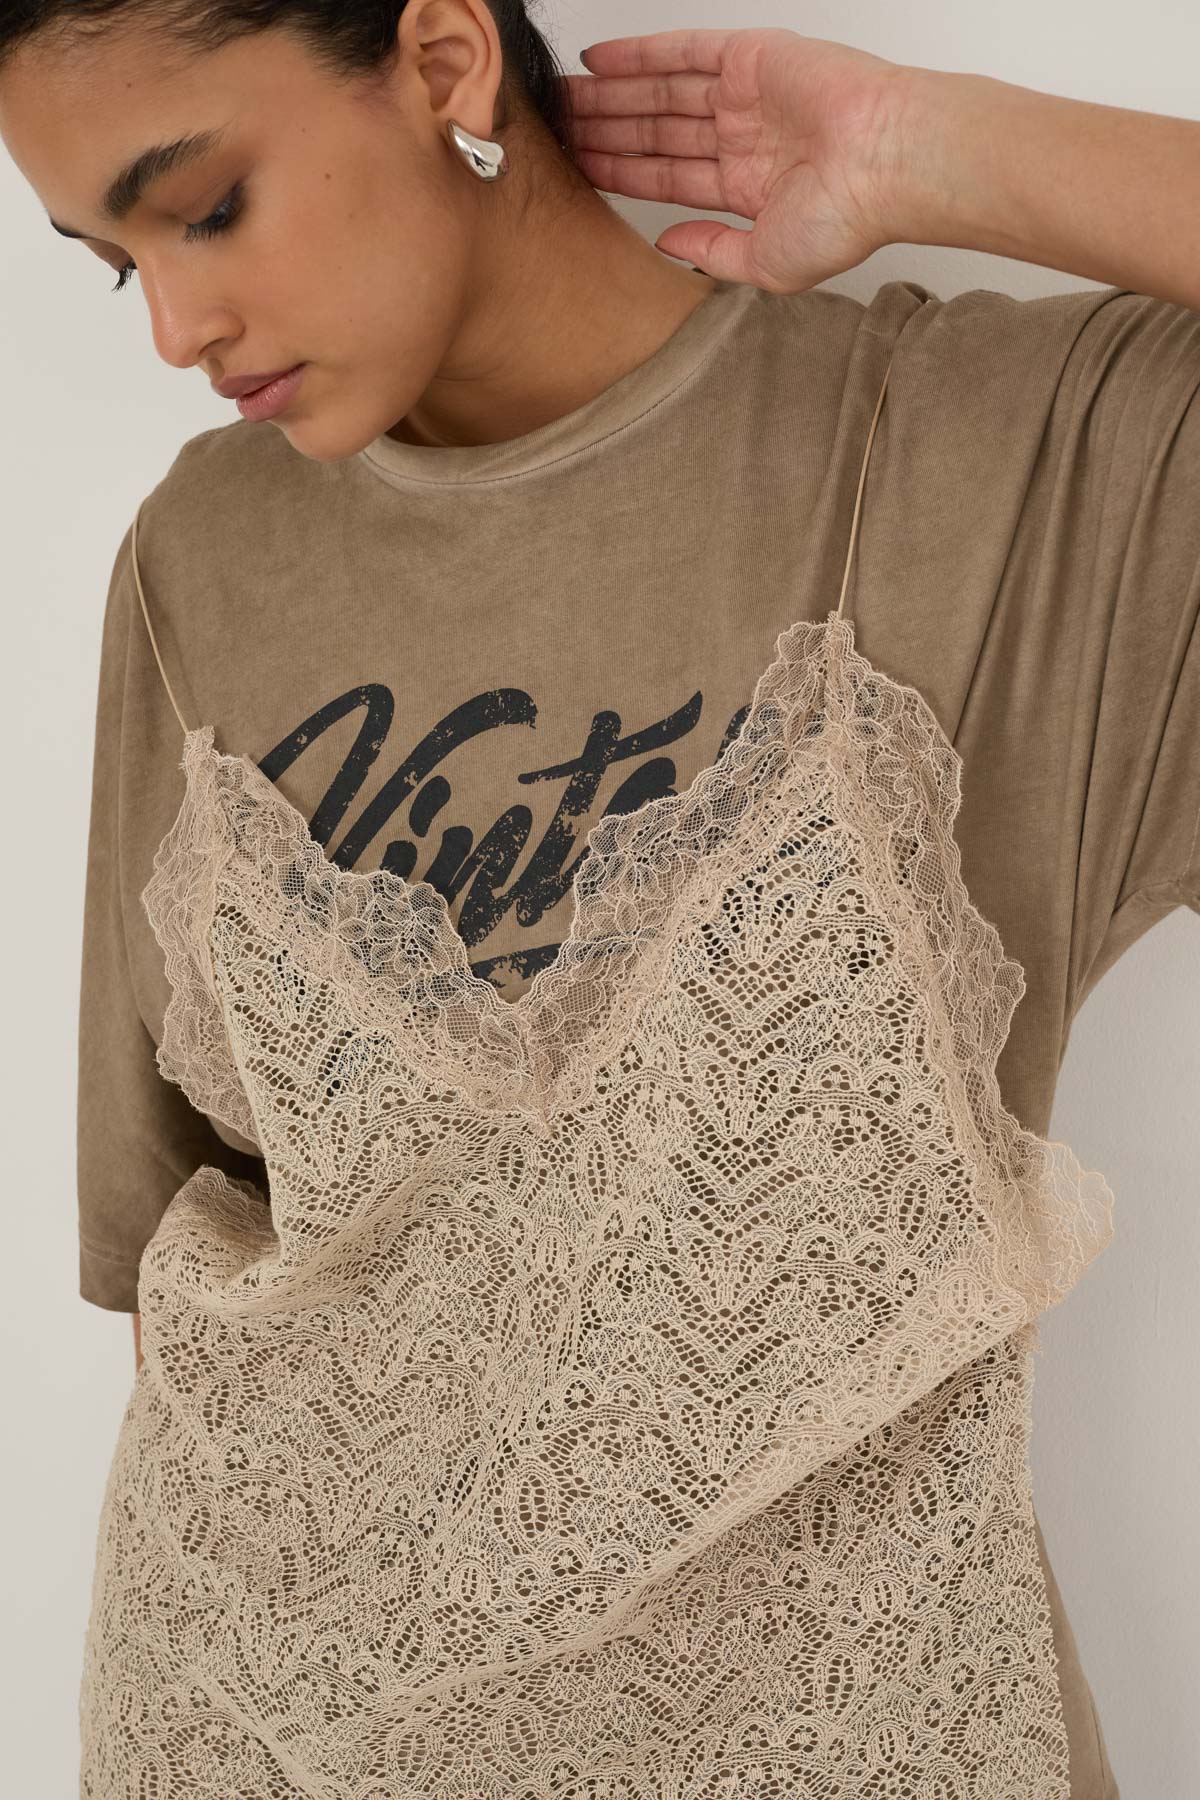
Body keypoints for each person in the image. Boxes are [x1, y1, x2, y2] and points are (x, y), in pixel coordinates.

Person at [1, 4, 1195, 1795]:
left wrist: (928, 148)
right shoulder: (199, 556)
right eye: (118, 266)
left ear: (444, 62)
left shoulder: (999, 459)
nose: (177, 328)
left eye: (208, 208)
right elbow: (180, 1253)